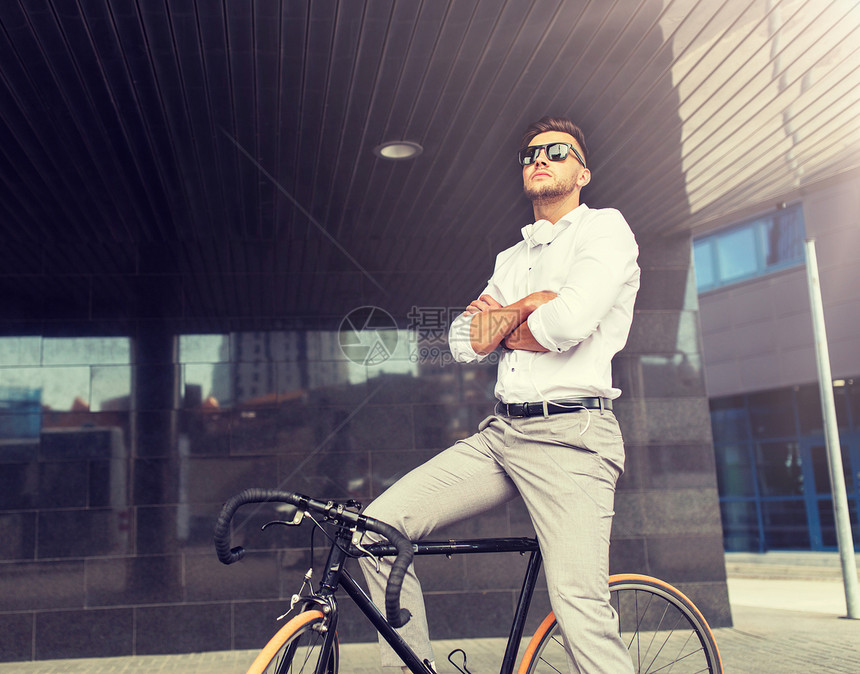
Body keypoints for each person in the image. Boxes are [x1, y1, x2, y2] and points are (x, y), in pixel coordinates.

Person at [358, 116, 640, 674]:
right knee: (378, 532)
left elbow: (568, 325)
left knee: (578, 606)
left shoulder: (604, 229)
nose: (541, 158)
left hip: (572, 438)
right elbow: (463, 341)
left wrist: (510, 322)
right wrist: (532, 299)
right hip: (502, 435)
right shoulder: (512, 261)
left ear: (582, 171)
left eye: (558, 151)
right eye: (531, 153)